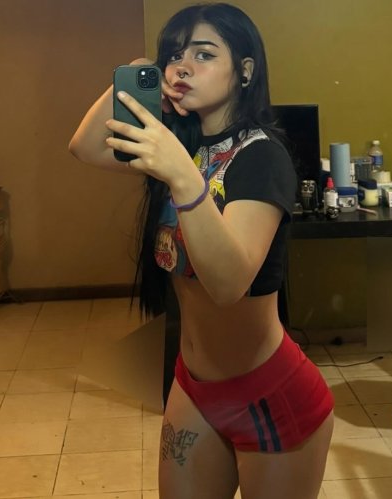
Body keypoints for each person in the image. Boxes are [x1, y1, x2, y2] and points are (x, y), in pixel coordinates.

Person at [69, 3, 334, 498]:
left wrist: (182, 176)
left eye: (204, 54)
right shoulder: (179, 145)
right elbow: (86, 147)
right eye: (174, 55)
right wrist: (137, 73)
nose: (182, 66)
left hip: (269, 393)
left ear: (245, 71)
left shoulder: (261, 156)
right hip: (193, 386)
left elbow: (229, 284)